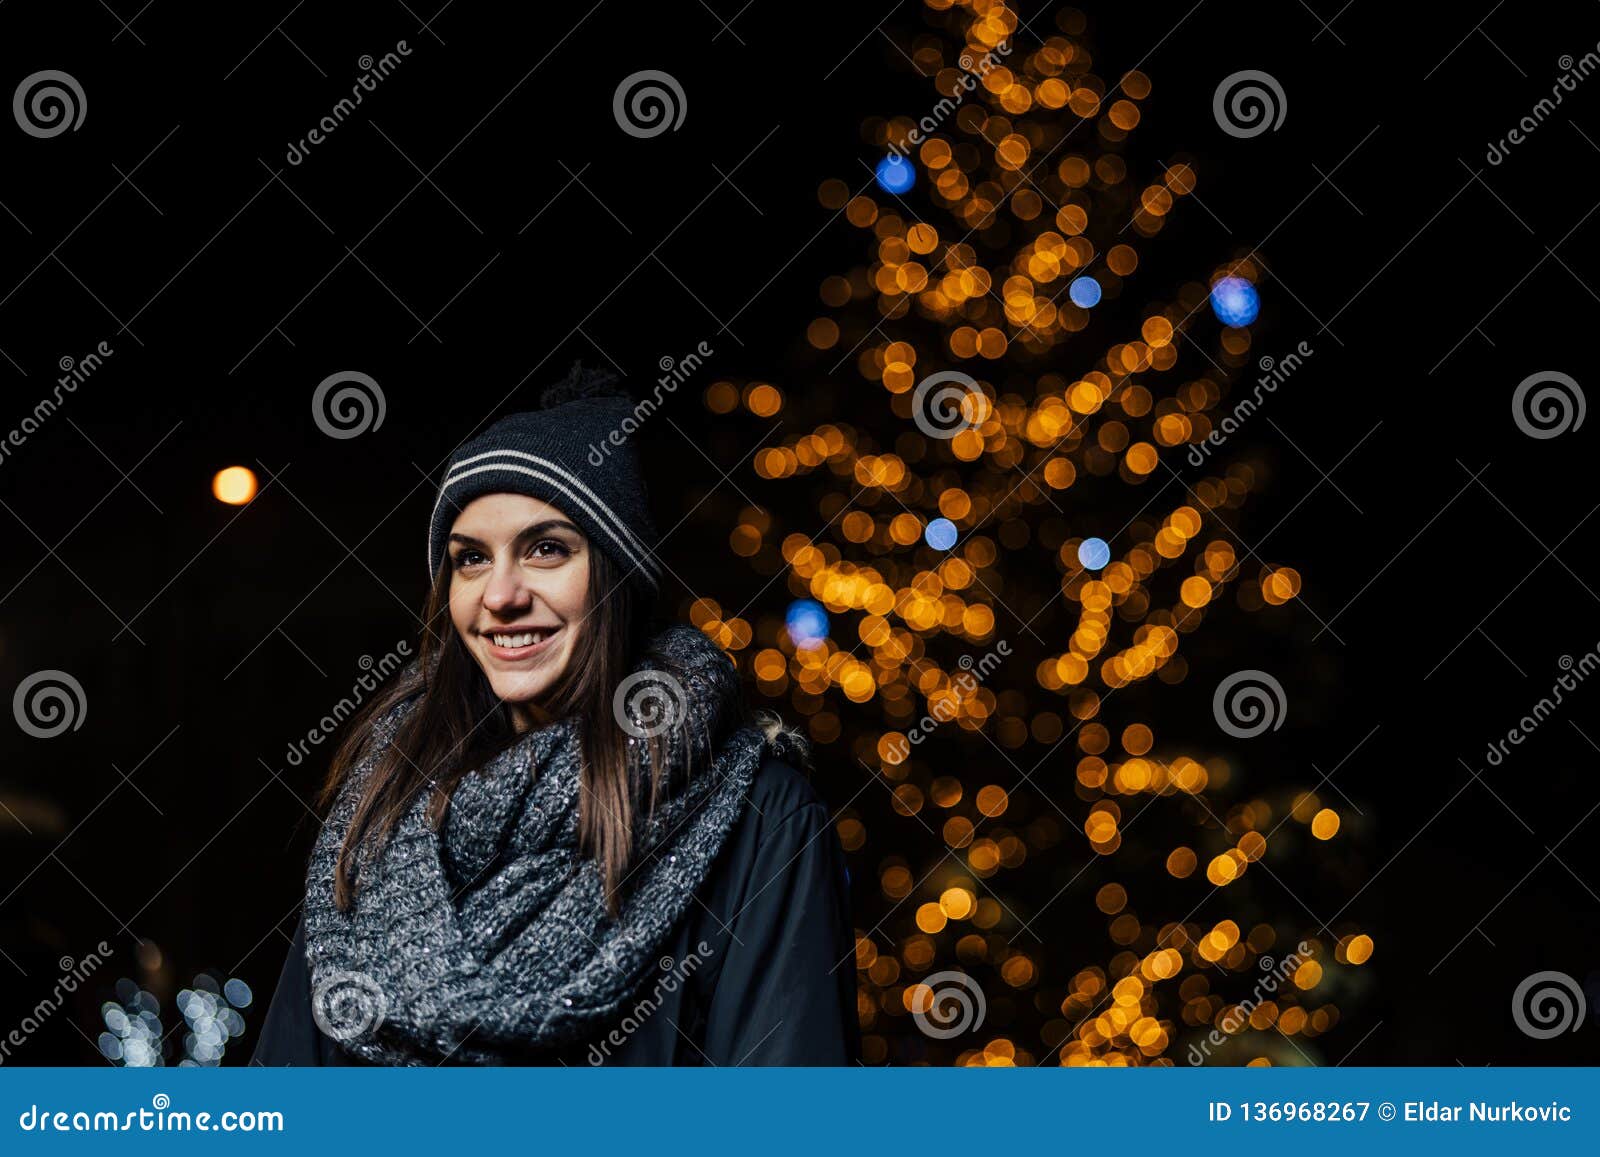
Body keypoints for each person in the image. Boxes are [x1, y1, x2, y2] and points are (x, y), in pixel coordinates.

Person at [251, 363, 858, 1066]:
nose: (500, 595)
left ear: (616, 572)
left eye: (546, 549)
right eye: (470, 559)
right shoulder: (380, 809)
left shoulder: (758, 818)